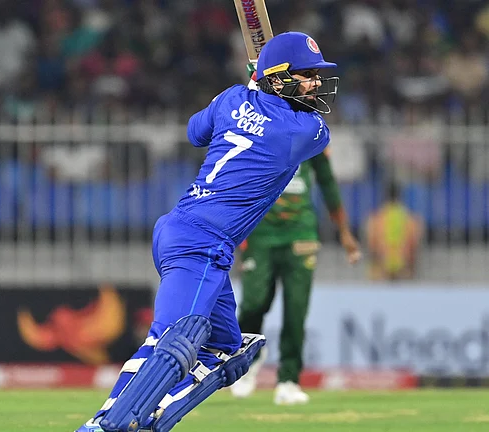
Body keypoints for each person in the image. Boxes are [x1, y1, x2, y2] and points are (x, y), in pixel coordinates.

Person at [76, 31, 341, 432]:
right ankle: (104, 425)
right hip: (203, 244)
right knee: (172, 339)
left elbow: (195, 132)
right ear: (280, 78)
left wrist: (251, 91)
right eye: (307, 75)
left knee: (225, 351)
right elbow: (317, 132)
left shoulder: (231, 98)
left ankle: (154, 418)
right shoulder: (298, 132)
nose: (317, 83)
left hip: (179, 229)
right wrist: (261, 90)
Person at [229, 150, 362, 405]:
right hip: (260, 231)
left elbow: (327, 181)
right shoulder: (260, 133)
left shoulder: (313, 136)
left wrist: (344, 232)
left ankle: (288, 381)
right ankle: (249, 359)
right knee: (254, 303)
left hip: (300, 232)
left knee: (296, 309)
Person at [365, 182, 423, 280]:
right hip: (403, 270)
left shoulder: (376, 218)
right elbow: (414, 246)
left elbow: (372, 246)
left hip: (382, 270)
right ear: (400, 196)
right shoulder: (410, 219)